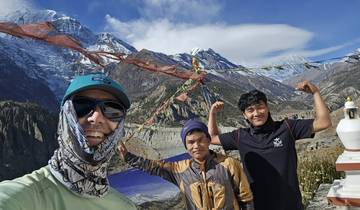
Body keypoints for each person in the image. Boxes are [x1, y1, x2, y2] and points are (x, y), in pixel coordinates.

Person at [0, 73, 137, 210]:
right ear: (64, 117)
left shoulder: (126, 206)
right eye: (82, 105)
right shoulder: (21, 198)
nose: (96, 117)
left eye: (112, 109)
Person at [208, 80, 332, 210]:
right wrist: (212, 113)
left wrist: (315, 92)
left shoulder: (287, 127)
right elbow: (211, 138)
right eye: (250, 110)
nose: (256, 113)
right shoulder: (240, 136)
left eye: (260, 107)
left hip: (290, 204)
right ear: (244, 115)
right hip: (256, 205)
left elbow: (324, 122)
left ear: (267, 107)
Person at [119, 119, 254, 210]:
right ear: (185, 145)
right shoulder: (179, 169)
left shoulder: (229, 164)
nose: (196, 146)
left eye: (201, 140)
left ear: (208, 140)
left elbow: (246, 199)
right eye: (190, 142)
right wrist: (128, 157)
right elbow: (153, 167)